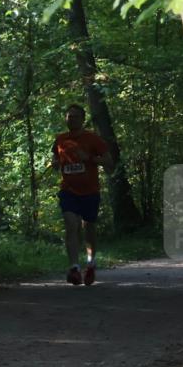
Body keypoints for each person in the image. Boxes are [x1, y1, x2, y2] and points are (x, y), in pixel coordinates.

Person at [51, 104, 114, 286]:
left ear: (83, 119)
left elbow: (109, 163)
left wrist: (90, 158)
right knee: (71, 225)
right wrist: (55, 162)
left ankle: (90, 264)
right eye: (69, 116)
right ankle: (74, 268)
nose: (72, 120)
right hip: (68, 191)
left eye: (76, 117)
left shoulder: (93, 139)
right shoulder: (60, 139)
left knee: (89, 229)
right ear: (65, 118)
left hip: (90, 192)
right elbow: (55, 157)